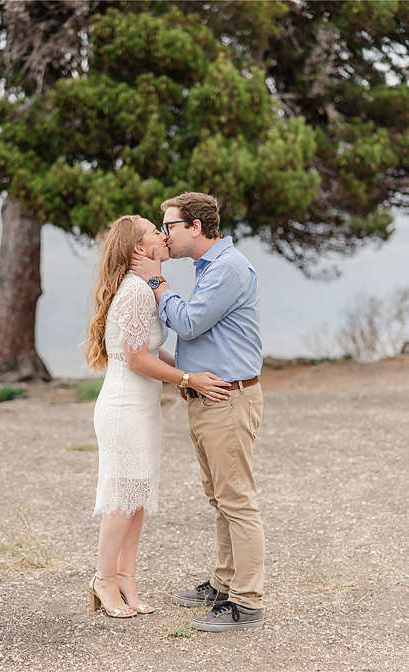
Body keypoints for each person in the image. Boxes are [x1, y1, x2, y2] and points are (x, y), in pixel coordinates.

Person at [84, 215, 231, 619]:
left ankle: (126, 577)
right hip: (124, 406)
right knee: (122, 498)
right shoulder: (134, 292)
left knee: (137, 497)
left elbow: (148, 351)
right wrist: (188, 378)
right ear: (138, 249)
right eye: (155, 232)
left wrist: (183, 374)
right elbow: (134, 359)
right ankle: (103, 579)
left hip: (142, 406)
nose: (164, 236)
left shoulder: (143, 289)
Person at [131, 191, 265, 632]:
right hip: (209, 398)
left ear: (195, 227)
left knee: (237, 502)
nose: (164, 234)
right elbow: (198, 334)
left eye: (168, 226)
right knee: (220, 499)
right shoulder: (211, 267)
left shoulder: (226, 268)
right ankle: (224, 584)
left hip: (228, 399)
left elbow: (188, 323)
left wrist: (156, 281)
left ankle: (245, 604)